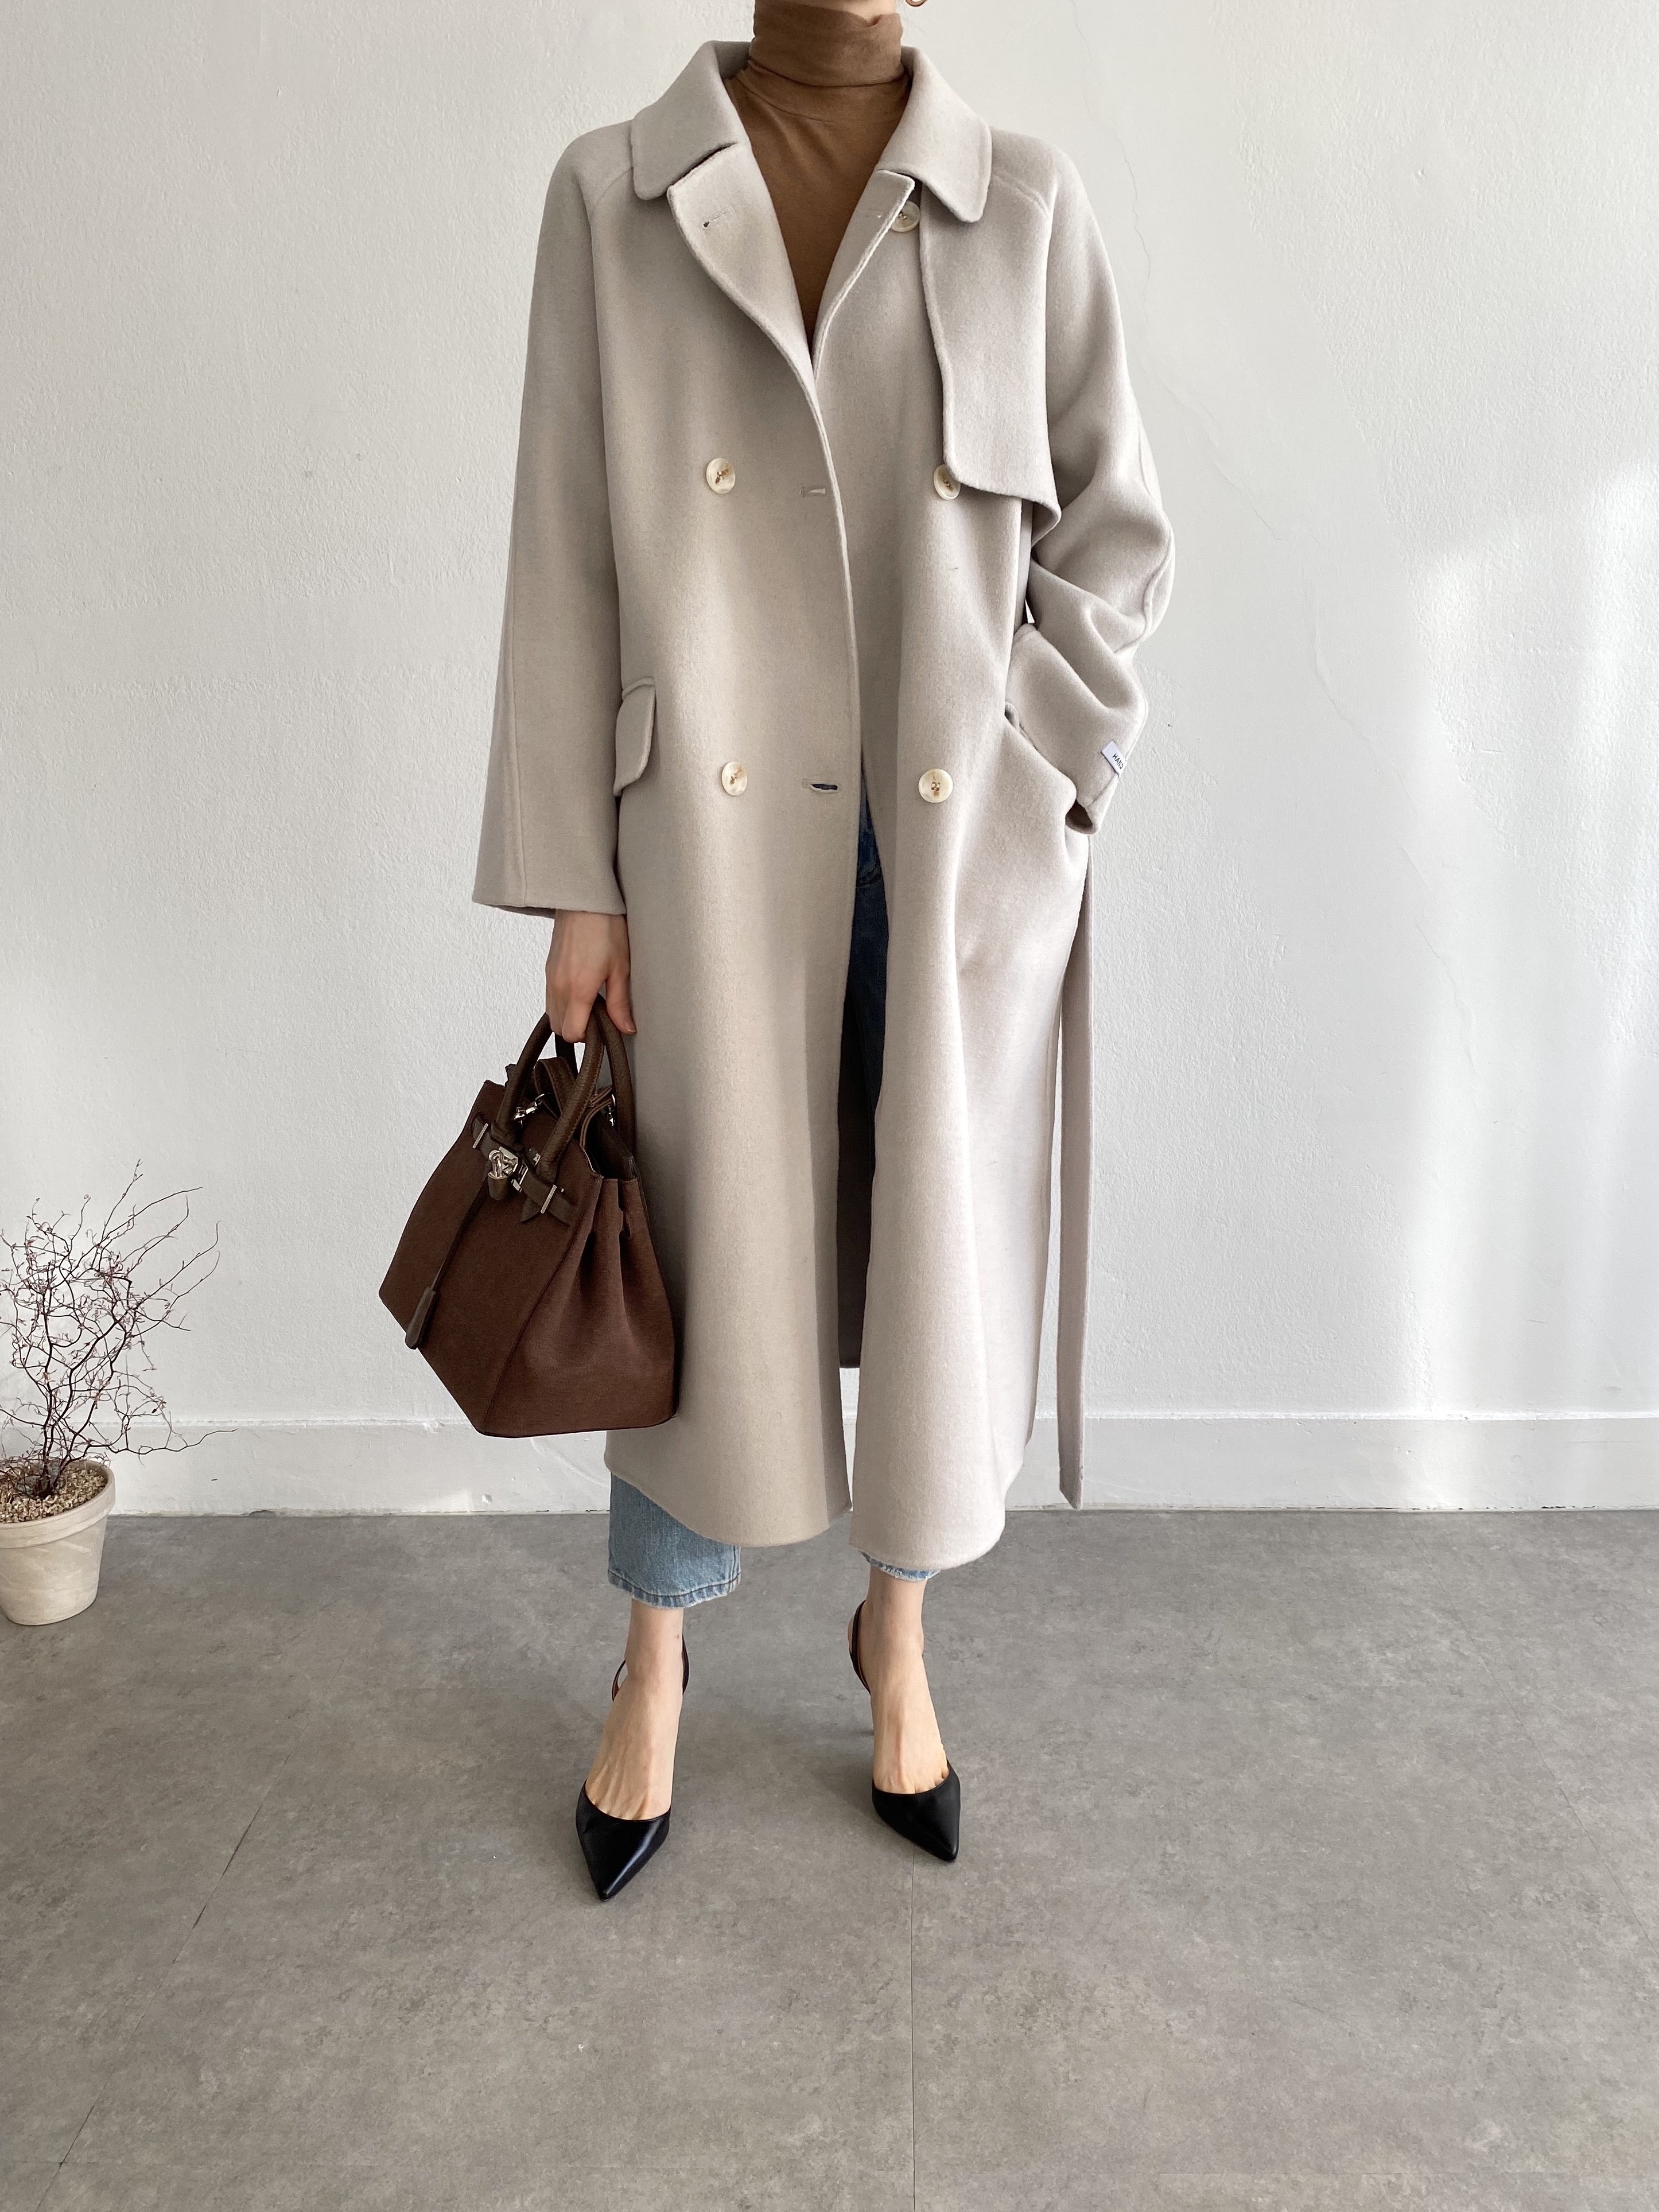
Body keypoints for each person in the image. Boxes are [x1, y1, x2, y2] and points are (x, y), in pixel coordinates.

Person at [473, 0, 1175, 1898]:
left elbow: (1115, 538)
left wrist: (1039, 777)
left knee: (931, 1267)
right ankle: (653, 1663)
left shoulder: (1020, 200)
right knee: (688, 1261)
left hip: (940, 850)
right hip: (705, 842)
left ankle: (899, 1638)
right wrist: (577, 881)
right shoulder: (613, 195)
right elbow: (563, 549)